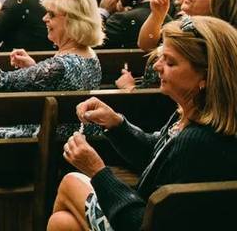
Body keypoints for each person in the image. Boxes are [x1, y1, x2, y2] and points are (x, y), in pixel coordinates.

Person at [50, 16, 237, 231]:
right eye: (160, 57)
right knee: (63, 223)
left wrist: (97, 170)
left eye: (170, 62)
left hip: (142, 222)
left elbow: (142, 225)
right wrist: (116, 124)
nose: (157, 66)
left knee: (71, 181)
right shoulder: (192, 114)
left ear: (205, 76)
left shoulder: (198, 141)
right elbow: (159, 156)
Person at [0, 0, 104, 231]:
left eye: (51, 15)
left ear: (72, 20)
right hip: (66, 142)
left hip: (41, 148)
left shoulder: (59, 64)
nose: (44, 19)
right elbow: (63, 82)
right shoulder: (90, 56)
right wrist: (35, 68)